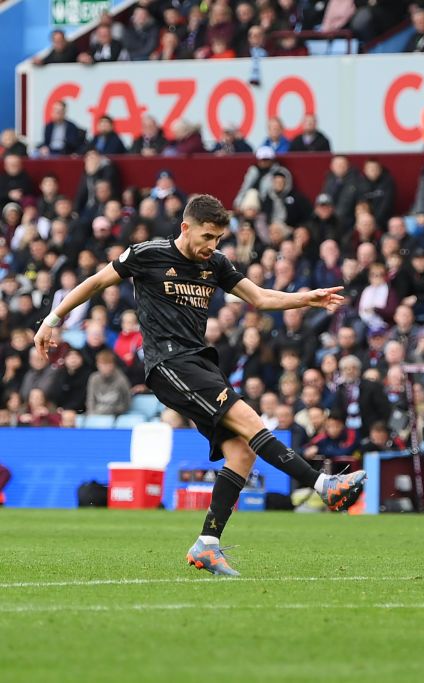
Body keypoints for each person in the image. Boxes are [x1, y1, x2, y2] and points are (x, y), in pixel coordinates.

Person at [34, 195, 366, 576]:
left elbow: (259, 297)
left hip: (200, 364)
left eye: (219, 238)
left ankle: (208, 544)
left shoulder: (216, 264)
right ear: (186, 228)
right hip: (169, 363)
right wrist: (51, 320)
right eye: (208, 236)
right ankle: (323, 485)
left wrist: (303, 299)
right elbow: (95, 282)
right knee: (249, 419)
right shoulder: (148, 254)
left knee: (242, 453)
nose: (213, 245)